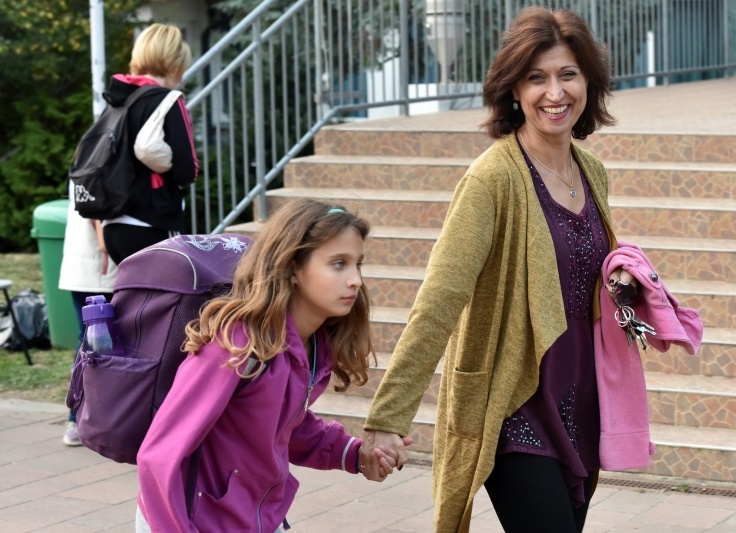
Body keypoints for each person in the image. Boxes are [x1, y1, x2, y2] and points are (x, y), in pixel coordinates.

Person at [362, 7, 622, 532]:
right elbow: (439, 299)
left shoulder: (591, 171)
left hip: (580, 402)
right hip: (514, 407)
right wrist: (388, 416)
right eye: (537, 78)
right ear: (514, 90)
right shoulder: (492, 179)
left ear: (588, 83)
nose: (555, 92)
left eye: (568, 74)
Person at [135, 199, 413, 532]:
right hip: (188, 521)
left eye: (358, 264)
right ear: (292, 267)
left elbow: (285, 427)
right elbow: (161, 454)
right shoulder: (237, 344)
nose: (355, 280)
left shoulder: (312, 345)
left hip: (253, 518)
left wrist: (355, 453)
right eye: (338, 264)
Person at [101, 23, 198, 265]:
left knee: (133, 291)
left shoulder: (118, 100)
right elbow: (187, 171)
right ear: (175, 65)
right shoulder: (169, 101)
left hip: (113, 227)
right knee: (168, 290)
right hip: (153, 225)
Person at [58, 180, 118, 446]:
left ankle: (78, 418)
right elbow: (98, 214)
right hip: (102, 267)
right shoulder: (109, 164)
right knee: (99, 344)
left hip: (82, 266)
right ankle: (81, 419)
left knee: (88, 342)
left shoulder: (82, 165)